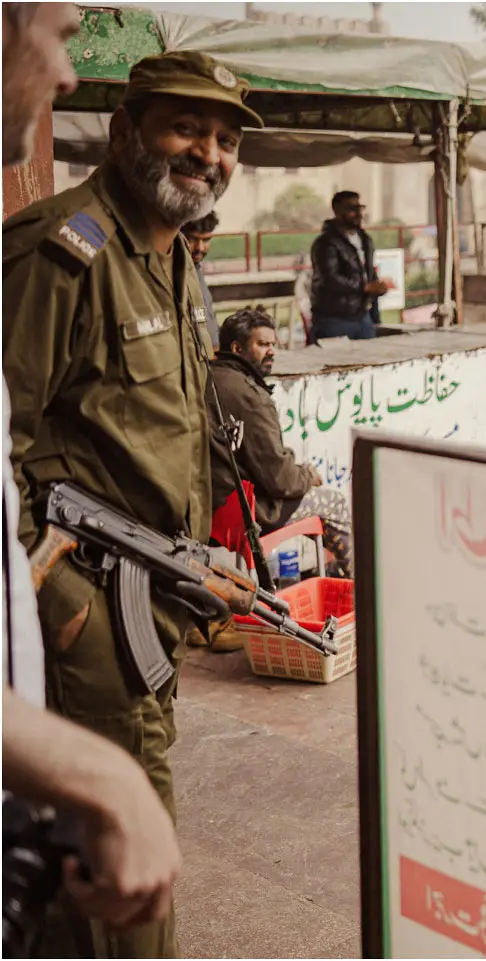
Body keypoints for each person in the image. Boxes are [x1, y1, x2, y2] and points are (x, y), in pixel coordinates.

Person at [3, 47, 260, 957]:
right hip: (86, 618)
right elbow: (8, 450)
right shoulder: (60, 252)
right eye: (187, 127)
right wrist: (68, 613)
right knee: (128, 876)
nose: (208, 152)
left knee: (102, 877)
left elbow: (156, 437)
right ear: (125, 132)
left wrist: (198, 554)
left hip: (154, 597)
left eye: (225, 138)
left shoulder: (177, 262)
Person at [205, 308, 354, 586]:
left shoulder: (208, 377)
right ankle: (359, 587)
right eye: (262, 344)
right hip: (247, 512)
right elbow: (280, 481)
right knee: (335, 504)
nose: (271, 351)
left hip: (212, 506)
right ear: (237, 348)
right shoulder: (249, 395)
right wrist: (307, 475)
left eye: (273, 344)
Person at [309, 190, 388, 340]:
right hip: (334, 318)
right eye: (352, 209)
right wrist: (364, 287)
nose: (358, 213)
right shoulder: (326, 243)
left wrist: (377, 287)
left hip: (362, 315)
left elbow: (368, 271)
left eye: (360, 208)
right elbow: (330, 279)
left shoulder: (365, 239)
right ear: (338, 211)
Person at [181, 210, 220, 352]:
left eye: (206, 240)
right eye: (193, 239)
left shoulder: (196, 270)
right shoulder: (174, 274)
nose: (200, 248)